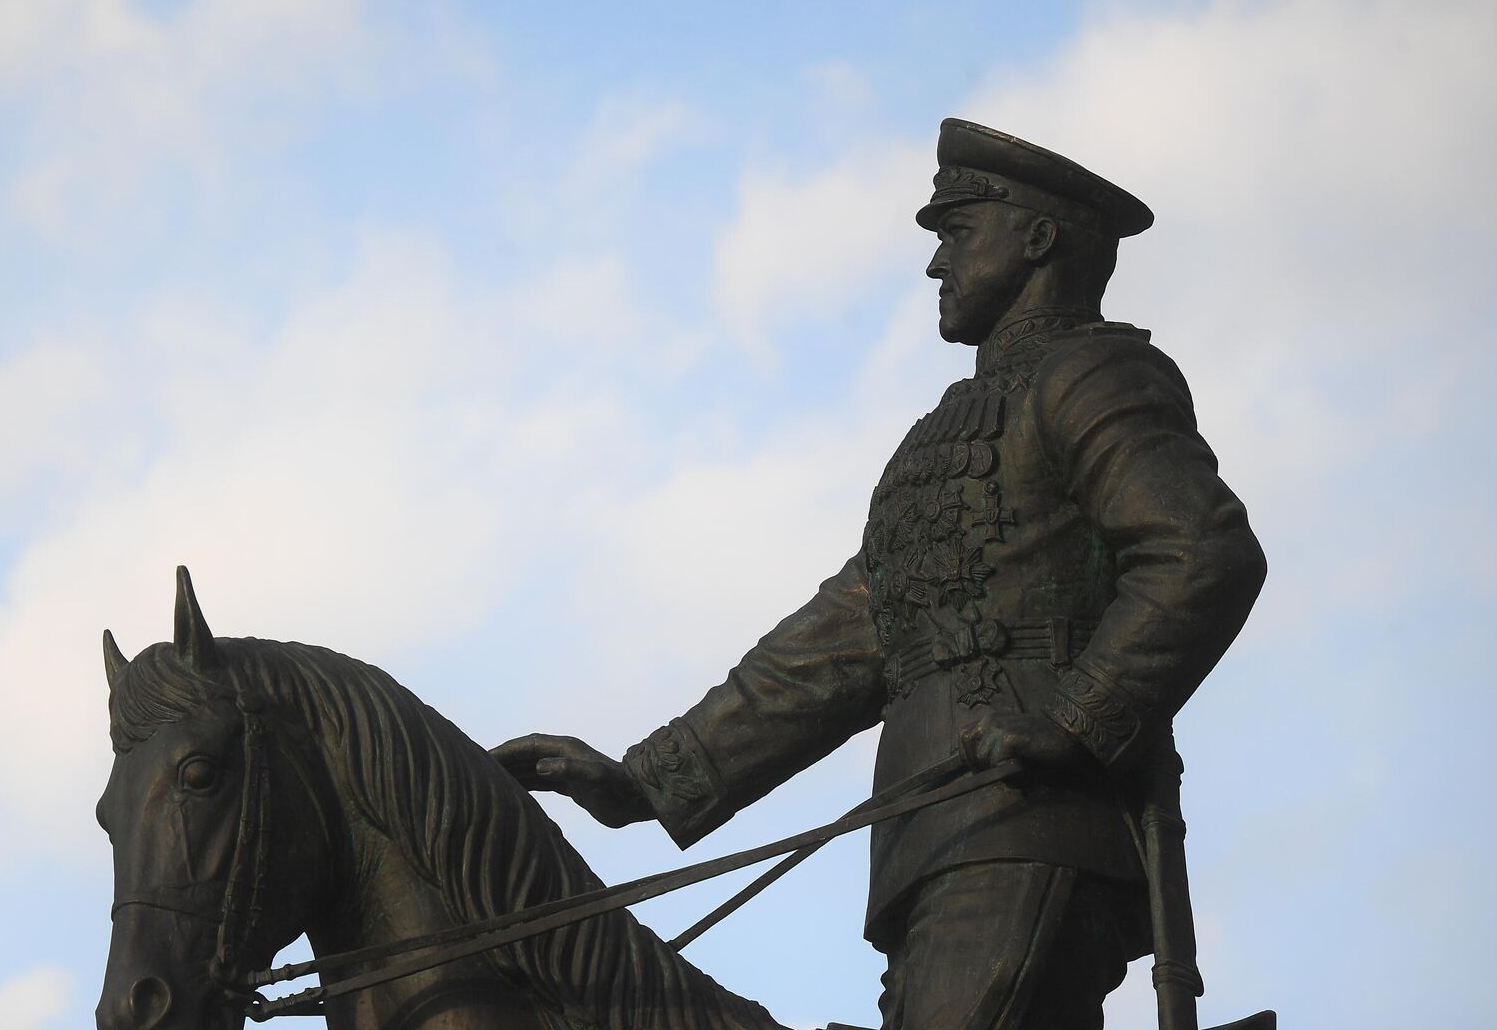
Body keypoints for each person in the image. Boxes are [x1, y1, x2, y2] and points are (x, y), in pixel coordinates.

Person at [493, 118, 1267, 1030]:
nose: (936, 265)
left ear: (1037, 238)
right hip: (931, 838)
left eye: (955, 234)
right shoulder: (950, 425)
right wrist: (645, 781)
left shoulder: (1093, 372)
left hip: (1031, 820)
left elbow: (1201, 549)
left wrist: (1078, 721)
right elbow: (848, 637)